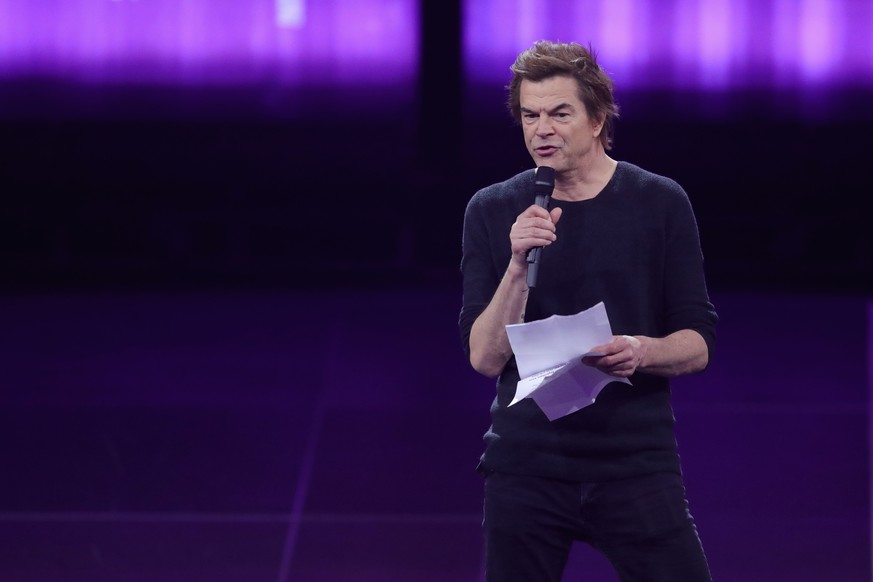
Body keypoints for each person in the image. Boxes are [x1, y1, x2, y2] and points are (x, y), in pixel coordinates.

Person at [458, 40, 719, 582]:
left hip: (633, 465)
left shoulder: (659, 202)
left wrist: (640, 351)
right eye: (529, 116)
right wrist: (515, 265)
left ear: (598, 119)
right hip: (527, 467)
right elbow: (484, 358)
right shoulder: (492, 209)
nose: (541, 130)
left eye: (559, 113)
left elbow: (697, 342)